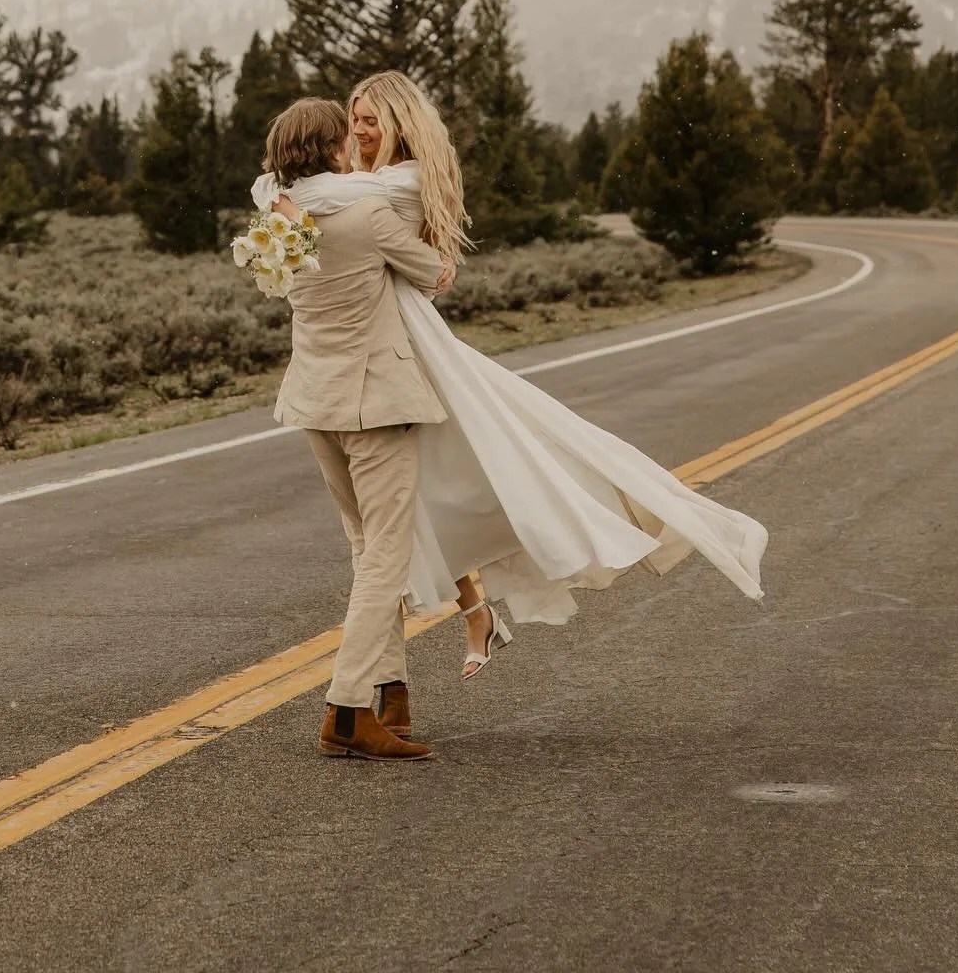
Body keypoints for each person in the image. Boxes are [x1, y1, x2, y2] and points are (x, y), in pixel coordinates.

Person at [255, 71, 767, 684]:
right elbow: (325, 206)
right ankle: (409, 666)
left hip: (398, 357)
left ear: (398, 123)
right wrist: (289, 197)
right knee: (414, 512)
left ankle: (372, 686)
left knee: (463, 484)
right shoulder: (347, 192)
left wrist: (284, 194)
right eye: (353, 121)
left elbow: (370, 230)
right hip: (373, 360)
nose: (360, 132)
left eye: (370, 121)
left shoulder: (387, 187)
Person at [262, 96, 451, 761]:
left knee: (365, 548)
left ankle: (389, 691)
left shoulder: (276, 210)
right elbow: (435, 274)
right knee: (386, 558)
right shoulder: (367, 211)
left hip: (315, 401)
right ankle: (346, 710)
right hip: (376, 402)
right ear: (334, 147)